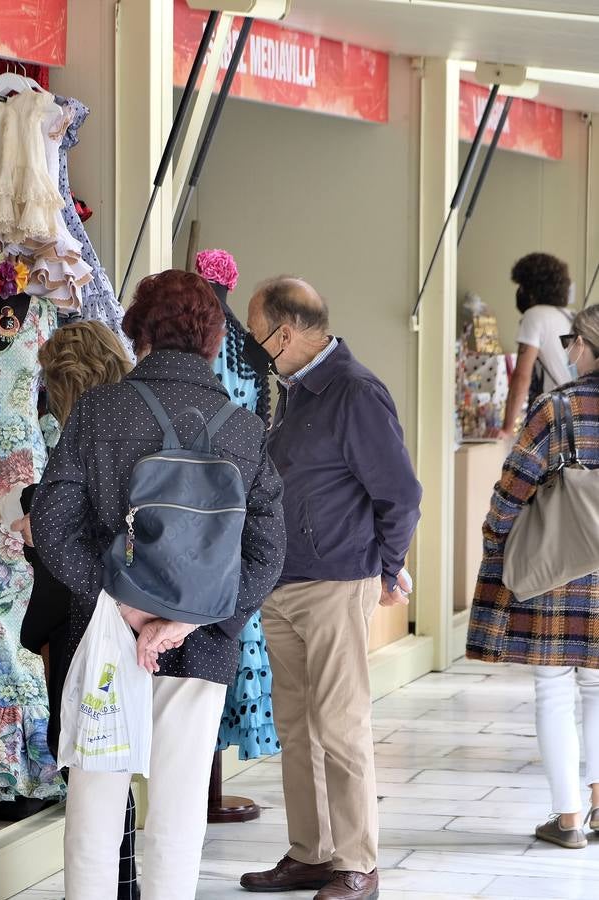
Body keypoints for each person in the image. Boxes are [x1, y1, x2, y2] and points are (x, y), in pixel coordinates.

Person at [31, 270, 286, 900]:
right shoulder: (243, 428)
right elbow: (267, 551)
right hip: (201, 642)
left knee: (95, 806)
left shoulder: (96, 412)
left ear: (139, 331)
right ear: (212, 339)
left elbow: (52, 523)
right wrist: (188, 619)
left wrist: (122, 602)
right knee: (177, 810)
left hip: (108, 638)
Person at [239, 278, 421, 900]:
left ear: (284, 333)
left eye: (255, 333)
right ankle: (312, 854)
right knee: (297, 727)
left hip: (337, 581)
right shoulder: (293, 392)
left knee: (340, 726)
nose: (253, 349)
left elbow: (400, 494)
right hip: (283, 580)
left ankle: (357, 865)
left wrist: (385, 566)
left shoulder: (354, 392)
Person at [13, 321, 140, 899]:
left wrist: (36, 524)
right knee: (112, 757)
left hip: (78, 614)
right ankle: (128, 882)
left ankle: (113, 885)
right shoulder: (136, 425)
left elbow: (68, 522)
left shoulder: (84, 433)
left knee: (89, 761)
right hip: (125, 612)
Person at [467, 306, 599, 849]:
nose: (567, 350)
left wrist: (495, 539)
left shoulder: (558, 409)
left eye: (574, 340)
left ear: (591, 346)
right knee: (597, 688)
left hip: (556, 569)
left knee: (552, 690)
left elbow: (513, 488)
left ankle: (568, 818)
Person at [497, 252, 575, 439]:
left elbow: (521, 377)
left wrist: (507, 429)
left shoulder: (535, 316)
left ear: (532, 290)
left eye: (522, 287)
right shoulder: (571, 316)